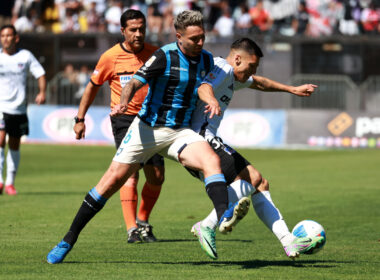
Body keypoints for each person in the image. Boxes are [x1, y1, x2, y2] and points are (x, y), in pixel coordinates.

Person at [47, 10, 249, 264]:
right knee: (110, 183)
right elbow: (134, 82)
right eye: (194, 39)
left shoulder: (208, 60)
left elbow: (239, 79)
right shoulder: (164, 55)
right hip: (147, 130)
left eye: (202, 37)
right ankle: (68, 239)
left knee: (211, 160)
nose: (200, 43)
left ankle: (224, 213)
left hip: (179, 132)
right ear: (179, 37)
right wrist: (123, 102)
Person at [189, 38, 323, 260]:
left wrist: (291, 89)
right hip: (199, 137)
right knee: (252, 179)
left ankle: (289, 242)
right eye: (251, 65)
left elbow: (259, 82)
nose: (252, 71)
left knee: (260, 184)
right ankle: (208, 224)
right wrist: (211, 99)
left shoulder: (234, 75)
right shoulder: (222, 68)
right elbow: (204, 87)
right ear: (238, 59)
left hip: (205, 137)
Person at [73, 9, 164, 244]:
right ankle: (131, 229)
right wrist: (80, 118)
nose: (138, 33)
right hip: (124, 120)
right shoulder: (110, 57)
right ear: (123, 31)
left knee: (156, 176)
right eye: (133, 30)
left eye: (142, 29)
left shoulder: (156, 54)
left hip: (152, 120)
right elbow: (92, 87)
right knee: (129, 173)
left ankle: (143, 221)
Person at [0, 24, 46, 195]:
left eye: (8, 35)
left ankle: (10, 183)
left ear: (16, 38)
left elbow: (40, 74)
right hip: (1, 106)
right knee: (0, 138)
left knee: (14, 145)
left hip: (19, 109)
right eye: (3, 35)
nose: (5, 38)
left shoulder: (25, 56)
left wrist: (42, 92)